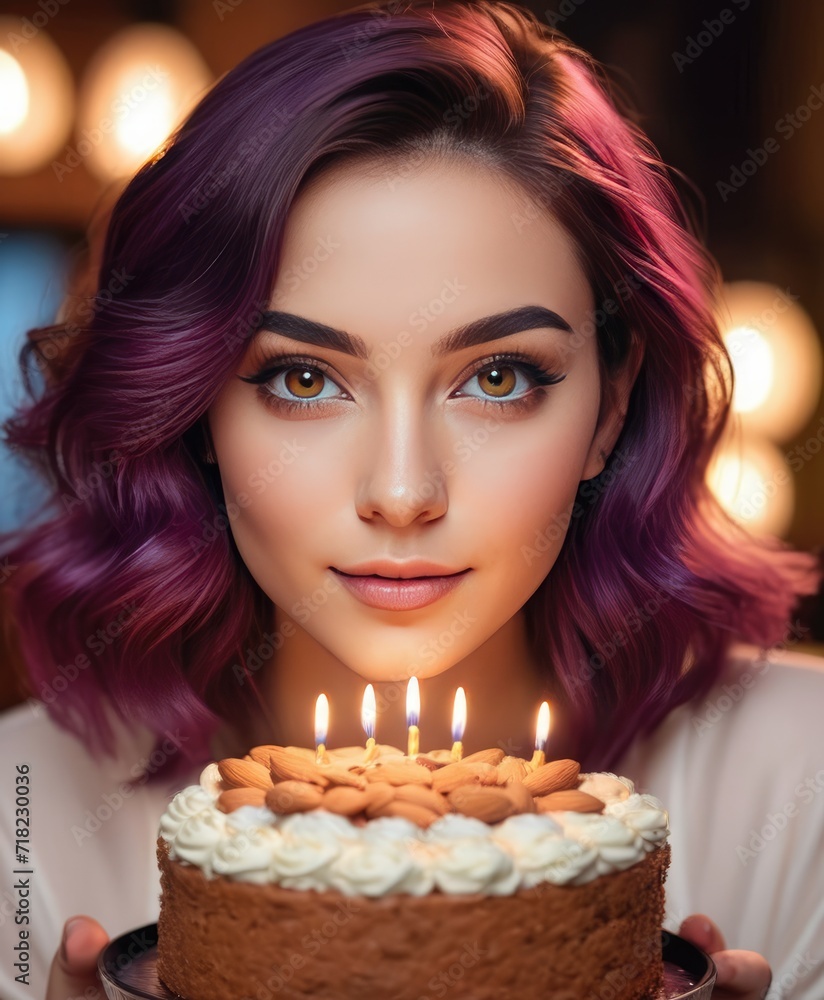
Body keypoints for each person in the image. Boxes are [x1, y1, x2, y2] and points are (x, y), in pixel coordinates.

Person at [0, 1, 822, 997]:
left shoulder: (803, 780)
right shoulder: (23, 810)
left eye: (498, 377)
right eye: (302, 378)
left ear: (607, 406)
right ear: (195, 409)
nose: (400, 493)